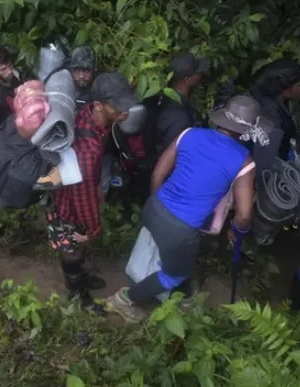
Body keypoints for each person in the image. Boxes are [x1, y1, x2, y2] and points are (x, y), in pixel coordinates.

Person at [108, 95, 270, 323]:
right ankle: (125, 299)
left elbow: (158, 174)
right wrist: (237, 231)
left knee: (176, 255)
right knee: (174, 274)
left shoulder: (190, 134)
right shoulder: (244, 161)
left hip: (154, 207)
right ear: (247, 132)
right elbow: (243, 215)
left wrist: (162, 208)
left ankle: (182, 296)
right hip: (181, 230)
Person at [47, 73, 138, 314]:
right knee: (72, 249)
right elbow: (82, 197)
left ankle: (81, 279)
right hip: (67, 206)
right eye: (118, 106)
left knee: (76, 247)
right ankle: (79, 295)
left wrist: (97, 186)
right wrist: (93, 229)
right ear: (98, 105)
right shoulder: (87, 150)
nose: (126, 111)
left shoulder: (88, 117)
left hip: (72, 191)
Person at [131, 53, 210, 201]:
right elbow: (172, 158)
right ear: (187, 79)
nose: (200, 75)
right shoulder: (177, 116)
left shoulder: (165, 95)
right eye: (197, 73)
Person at [249, 59, 300, 170]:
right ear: (285, 90)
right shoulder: (271, 118)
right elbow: (265, 162)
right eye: (299, 85)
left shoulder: (272, 96)